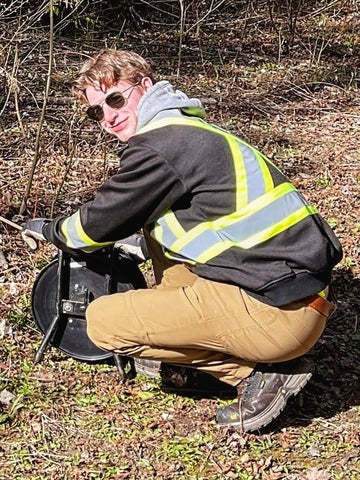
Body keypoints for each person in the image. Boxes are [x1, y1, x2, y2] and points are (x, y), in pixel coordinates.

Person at [24, 49, 342, 433]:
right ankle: (210, 341)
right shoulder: (194, 132)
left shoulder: (162, 145)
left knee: (102, 322)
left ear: (145, 87)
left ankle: (255, 375)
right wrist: (141, 245)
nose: (108, 116)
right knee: (152, 237)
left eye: (115, 98)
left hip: (277, 316)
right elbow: (198, 220)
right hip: (293, 294)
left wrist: (49, 230)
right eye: (97, 111)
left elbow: (95, 225)